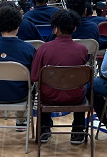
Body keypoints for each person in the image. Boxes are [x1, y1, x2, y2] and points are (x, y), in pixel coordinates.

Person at [30, 9, 90, 144]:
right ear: (74, 28)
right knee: (83, 87)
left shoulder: (43, 49)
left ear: (55, 29)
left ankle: (44, 130)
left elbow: (34, 77)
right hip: (75, 97)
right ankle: (78, 131)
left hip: (49, 97)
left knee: (41, 90)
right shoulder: (83, 50)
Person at [0, 2, 36, 131]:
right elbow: (35, 75)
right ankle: (21, 120)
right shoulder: (28, 48)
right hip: (20, 96)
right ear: (18, 25)